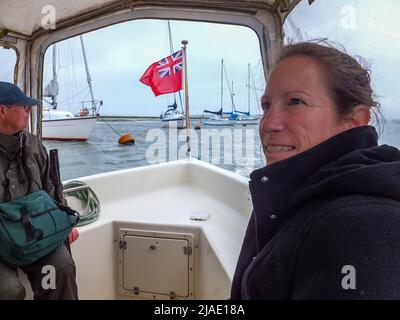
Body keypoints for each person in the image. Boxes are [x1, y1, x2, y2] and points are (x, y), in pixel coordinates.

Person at [231, 41, 400, 299]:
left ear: (354, 122)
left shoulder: (360, 226)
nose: (268, 124)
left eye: (295, 102)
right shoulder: (292, 192)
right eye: (267, 105)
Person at [0, 81, 78, 300]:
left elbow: (50, 187)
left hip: (34, 235)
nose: (29, 111)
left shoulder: (34, 145)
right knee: (8, 291)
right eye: (24, 107)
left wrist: (64, 221)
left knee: (59, 268)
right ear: (3, 110)